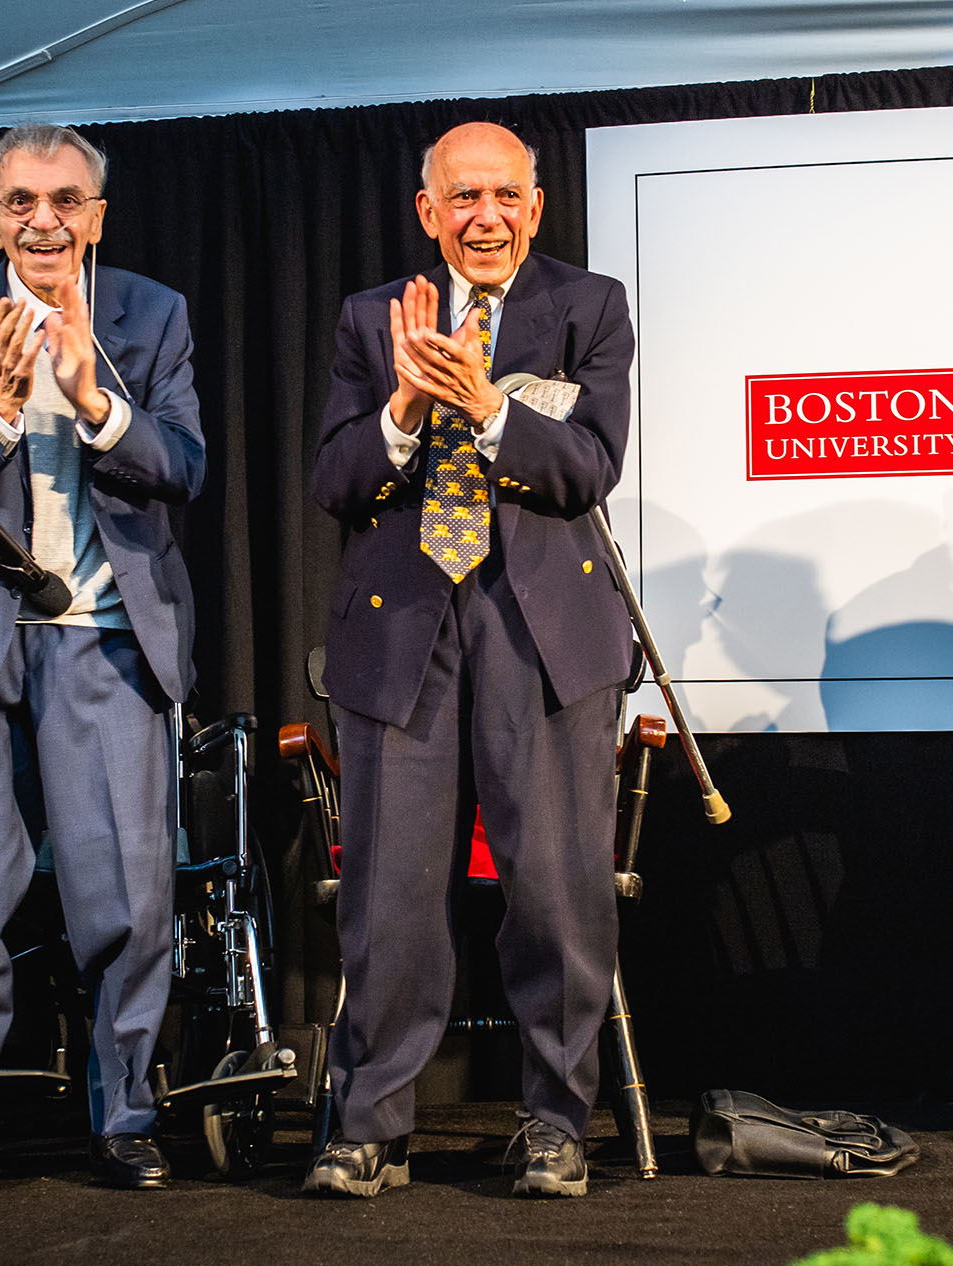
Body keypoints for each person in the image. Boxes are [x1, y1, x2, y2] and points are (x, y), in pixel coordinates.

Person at [304, 121, 636, 1198]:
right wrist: (404, 406)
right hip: (401, 634)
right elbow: (335, 483)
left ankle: (553, 1124)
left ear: (534, 207)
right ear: (427, 211)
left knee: (553, 890)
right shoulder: (372, 319)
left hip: (539, 636)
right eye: (462, 199)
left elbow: (587, 468)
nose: (483, 217)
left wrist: (488, 407)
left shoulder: (587, 308)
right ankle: (367, 1125)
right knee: (390, 897)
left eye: (503, 197)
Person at [0, 123, 205, 1191]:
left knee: (121, 900)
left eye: (65, 200)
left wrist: (92, 396)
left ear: (95, 216)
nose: (43, 220)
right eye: (21, 201)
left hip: (106, 641)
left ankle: (123, 1115)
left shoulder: (149, 316)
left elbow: (183, 466)